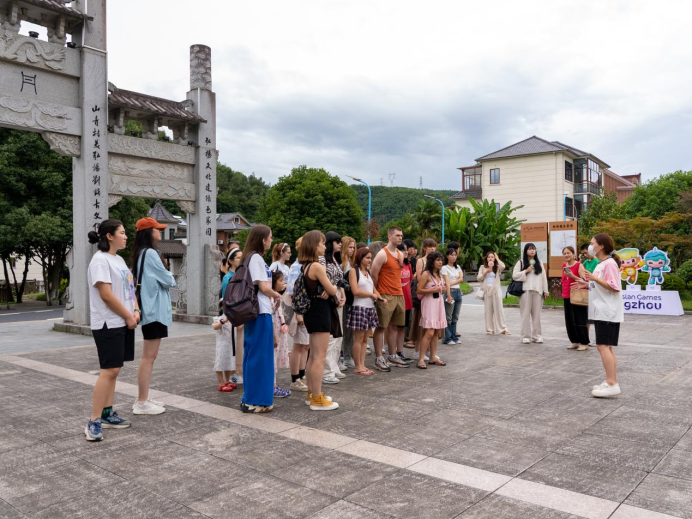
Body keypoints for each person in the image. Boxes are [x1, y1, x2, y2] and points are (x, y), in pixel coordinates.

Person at [85, 219, 139, 442]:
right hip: (108, 323)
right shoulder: (100, 260)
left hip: (123, 321)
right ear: (109, 236)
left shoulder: (119, 260)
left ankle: (107, 414)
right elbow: (106, 295)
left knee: (114, 370)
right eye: (122, 233)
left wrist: (135, 309)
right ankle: (94, 421)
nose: (126, 236)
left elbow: (129, 288)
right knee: (109, 370)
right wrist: (128, 315)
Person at [130, 217, 176, 416]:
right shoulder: (150, 253)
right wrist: (169, 275)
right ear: (148, 232)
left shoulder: (141, 253)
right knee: (148, 357)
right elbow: (168, 279)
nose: (160, 231)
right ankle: (141, 402)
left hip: (150, 308)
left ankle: (144, 398)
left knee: (149, 356)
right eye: (157, 229)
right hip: (154, 309)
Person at [574, 233, 624, 397]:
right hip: (603, 310)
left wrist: (594, 278)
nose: (590, 246)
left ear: (601, 246)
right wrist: (586, 283)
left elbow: (614, 287)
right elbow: (601, 285)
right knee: (607, 347)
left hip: (607, 312)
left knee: (602, 346)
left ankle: (612, 384)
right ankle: (611, 381)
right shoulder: (603, 263)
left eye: (592, 243)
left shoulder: (609, 264)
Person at [239, 225, 281, 414]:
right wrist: (277, 295)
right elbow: (263, 288)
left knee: (254, 355)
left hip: (256, 312)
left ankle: (252, 398)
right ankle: (256, 400)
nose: (271, 240)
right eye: (270, 237)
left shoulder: (249, 257)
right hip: (260, 312)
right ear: (263, 240)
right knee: (260, 357)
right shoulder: (255, 258)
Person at [299, 230, 339, 410]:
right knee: (319, 357)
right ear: (314, 246)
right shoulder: (316, 266)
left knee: (313, 356)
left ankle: (312, 393)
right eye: (322, 243)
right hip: (320, 312)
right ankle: (317, 397)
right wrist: (333, 287)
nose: (324, 246)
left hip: (311, 311)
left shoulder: (306, 266)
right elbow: (332, 289)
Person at [371, 226, 409, 371]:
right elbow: (374, 275)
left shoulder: (400, 254)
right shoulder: (382, 254)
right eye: (397, 235)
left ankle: (392, 355)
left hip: (399, 293)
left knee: (394, 326)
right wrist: (377, 294)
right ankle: (379, 357)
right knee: (381, 327)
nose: (400, 238)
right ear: (389, 236)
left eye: (401, 235)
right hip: (385, 294)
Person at [347, 247, 382, 375]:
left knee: (365, 339)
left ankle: (362, 365)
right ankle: (358, 366)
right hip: (359, 307)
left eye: (370, 258)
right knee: (359, 338)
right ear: (360, 258)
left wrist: (379, 297)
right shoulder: (353, 271)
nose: (369, 260)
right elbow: (355, 291)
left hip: (369, 307)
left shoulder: (367, 272)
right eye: (367, 258)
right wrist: (371, 295)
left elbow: (373, 288)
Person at [320, 231, 346, 384]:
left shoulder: (336, 259)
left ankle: (334, 366)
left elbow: (340, 281)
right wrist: (332, 293)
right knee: (330, 335)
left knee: (338, 334)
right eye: (337, 241)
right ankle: (326, 370)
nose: (340, 244)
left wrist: (343, 295)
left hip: (337, 294)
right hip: (329, 296)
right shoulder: (322, 259)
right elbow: (322, 278)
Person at [513, 243, 549, 344]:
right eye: (530, 249)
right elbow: (514, 275)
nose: (532, 251)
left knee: (537, 315)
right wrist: (526, 271)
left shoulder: (539, 262)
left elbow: (543, 277)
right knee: (525, 314)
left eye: (534, 249)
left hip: (537, 291)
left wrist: (545, 290)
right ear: (525, 251)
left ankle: (537, 336)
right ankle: (526, 336)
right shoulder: (521, 262)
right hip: (525, 291)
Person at [285, 237, 309, 392]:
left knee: (305, 345)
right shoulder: (296, 267)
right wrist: (298, 313)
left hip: (306, 310)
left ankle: (302, 374)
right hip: (300, 311)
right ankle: (295, 379)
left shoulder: (304, 265)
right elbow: (292, 292)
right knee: (299, 345)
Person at [417, 251, 447, 368]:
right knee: (429, 332)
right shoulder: (426, 274)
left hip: (439, 304)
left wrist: (442, 289)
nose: (440, 262)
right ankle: (421, 359)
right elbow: (419, 290)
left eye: (441, 260)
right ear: (432, 261)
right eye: (438, 260)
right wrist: (433, 290)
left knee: (436, 332)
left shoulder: (439, 274)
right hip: (429, 304)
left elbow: (440, 289)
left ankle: (432, 357)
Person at [411, 238, 437, 361]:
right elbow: (420, 278)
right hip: (423, 296)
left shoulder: (436, 261)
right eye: (430, 246)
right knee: (420, 323)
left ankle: (429, 351)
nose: (432, 248)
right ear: (425, 248)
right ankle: (418, 350)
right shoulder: (421, 260)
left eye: (434, 246)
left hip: (434, 297)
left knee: (432, 325)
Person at [221, 248, 244, 385]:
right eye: (238, 257)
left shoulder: (243, 274)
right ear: (230, 260)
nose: (241, 259)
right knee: (234, 345)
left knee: (241, 345)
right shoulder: (228, 277)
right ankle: (234, 374)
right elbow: (226, 299)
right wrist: (235, 317)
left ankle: (239, 372)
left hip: (243, 314)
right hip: (234, 316)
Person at [561, 246, 590, 351]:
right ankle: (574, 341)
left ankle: (584, 342)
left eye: (568, 253)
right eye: (564, 253)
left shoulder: (579, 265)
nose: (566, 255)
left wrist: (572, 276)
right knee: (569, 320)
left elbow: (584, 281)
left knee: (580, 319)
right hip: (567, 295)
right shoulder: (564, 266)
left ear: (573, 254)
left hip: (577, 295)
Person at [477, 251, 510, 335]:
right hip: (487, 290)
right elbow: (479, 278)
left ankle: (503, 329)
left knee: (499, 309)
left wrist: (497, 258)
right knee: (488, 310)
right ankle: (490, 329)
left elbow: (503, 266)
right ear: (486, 258)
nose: (490, 258)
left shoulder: (497, 267)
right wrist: (486, 272)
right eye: (489, 257)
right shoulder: (482, 267)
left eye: (492, 257)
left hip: (496, 289)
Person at [271, 271, 291, 398]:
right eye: (280, 280)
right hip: (274, 330)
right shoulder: (269, 297)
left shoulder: (276, 296)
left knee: (276, 355)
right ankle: (272, 386)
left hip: (278, 329)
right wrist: (273, 336)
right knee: (272, 357)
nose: (283, 283)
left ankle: (274, 384)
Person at [340, 236, 357, 370]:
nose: (352, 250)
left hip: (352, 299)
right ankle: (341, 356)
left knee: (350, 329)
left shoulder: (353, 262)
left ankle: (347, 355)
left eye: (353, 247)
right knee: (341, 328)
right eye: (350, 247)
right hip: (342, 298)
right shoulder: (340, 263)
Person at [396, 243, 414, 362]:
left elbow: (410, 281)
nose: (406, 252)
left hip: (407, 300)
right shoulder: (395, 265)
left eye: (406, 250)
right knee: (394, 327)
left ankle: (400, 351)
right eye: (403, 250)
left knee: (403, 326)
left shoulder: (408, 265)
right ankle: (392, 351)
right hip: (397, 299)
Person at [441, 248, 463, 345]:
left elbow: (461, 279)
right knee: (448, 317)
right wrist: (449, 295)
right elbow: (446, 281)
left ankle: (454, 337)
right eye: (451, 255)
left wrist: (450, 283)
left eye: (455, 255)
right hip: (450, 292)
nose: (454, 257)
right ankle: (447, 337)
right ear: (447, 256)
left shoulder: (458, 267)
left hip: (458, 292)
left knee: (455, 317)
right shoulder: (444, 268)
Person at [212, 315, 236, 392]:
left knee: (228, 363)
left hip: (230, 346)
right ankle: (221, 384)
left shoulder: (232, 318)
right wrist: (223, 321)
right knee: (220, 363)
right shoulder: (219, 318)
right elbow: (215, 327)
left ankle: (227, 381)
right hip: (221, 346)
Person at [403, 239, 418, 348]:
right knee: (404, 317)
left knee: (410, 316)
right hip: (403, 292)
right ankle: (405, 338)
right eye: (412, 248)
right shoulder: (402, 261)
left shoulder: (413, 261)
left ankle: (409, 338)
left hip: (411, 292)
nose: (414, 250)